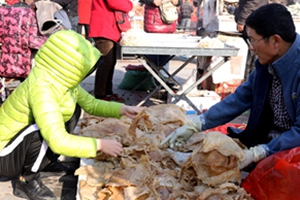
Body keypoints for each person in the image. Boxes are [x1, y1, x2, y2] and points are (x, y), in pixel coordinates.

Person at [0, 30, 143, 200]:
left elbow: (91, 104)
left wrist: (123, 109)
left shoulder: (63, 82)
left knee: (72, 109)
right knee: (40, 131)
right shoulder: (42, 88)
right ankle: (26, 181)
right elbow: (57, 140)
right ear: (70, 65)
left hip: (17, 148)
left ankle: (46, 161)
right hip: (4, 154)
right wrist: (99, 144)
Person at [162, 3, 300, 170]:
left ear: (275, 41)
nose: (251, 47)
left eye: (253, 40)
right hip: (271, 142)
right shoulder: (266, 65)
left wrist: (262, 151)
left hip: (292, 151)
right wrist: (197, 124)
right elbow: (238, 99)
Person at [89, 0, 133, 102]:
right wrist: (130, 5)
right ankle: (100, 95)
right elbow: (115, 2)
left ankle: (107, 92)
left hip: (108, 27)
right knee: (106, 62)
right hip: (103, 27)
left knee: (110, 62)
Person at [139, 0, 182, 85]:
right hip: (154, 25)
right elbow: (153, 2)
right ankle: (152, 81)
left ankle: (163, 80)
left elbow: (179, 2)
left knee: (165, 55)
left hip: (169, 25)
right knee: (153, 56)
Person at [234, 0, 268, 81]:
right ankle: (249, 81)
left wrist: (242, 20)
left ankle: (252, 82)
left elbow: (252, 3)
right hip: (253, 20)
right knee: (252, 55)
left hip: (254, 22)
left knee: (254, 56)